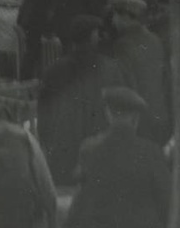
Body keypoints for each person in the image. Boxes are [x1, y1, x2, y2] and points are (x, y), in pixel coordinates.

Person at [58, 87, 171, 228]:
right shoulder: (151, 153)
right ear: (135, 118)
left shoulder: (90, 149)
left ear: (109, 114)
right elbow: (167, 205)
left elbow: (82, 199)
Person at [37, 14, 122, 184]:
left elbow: (44, 115)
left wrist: (50, 142)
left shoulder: (54, 71)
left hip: (63, 157)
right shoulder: (110, 68)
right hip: (100, 157)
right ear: (92, 36)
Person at [107, 0, 171, 144]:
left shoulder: (122, 45)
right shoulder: (155, 40)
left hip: (140, 119)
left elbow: (126, 82)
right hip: (160, 114)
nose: (113, 20)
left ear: (127, 17)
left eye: (115, 15)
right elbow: (165, 78)